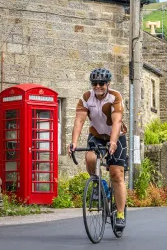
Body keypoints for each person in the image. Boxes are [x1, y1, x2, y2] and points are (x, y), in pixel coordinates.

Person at [68, 68, 127, 229]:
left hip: (116, 136)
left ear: (108, 84)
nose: (98, 86)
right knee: (90, 158)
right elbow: (79, 122)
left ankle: (120, 214)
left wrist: (113, 142)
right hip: (97, 136)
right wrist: (73, 143)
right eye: (95, 83)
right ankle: (99, 183)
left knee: (116, 173)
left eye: (101, 83)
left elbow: (116, 122)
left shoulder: (115, 97)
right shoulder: (86, 98)